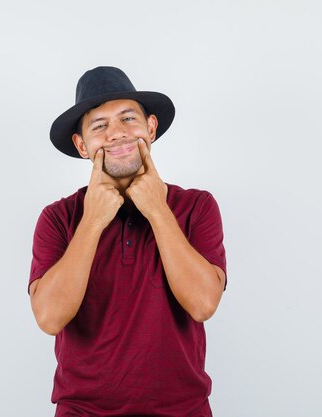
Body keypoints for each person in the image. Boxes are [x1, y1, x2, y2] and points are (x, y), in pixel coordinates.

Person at [28, 66, 227, 417]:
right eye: (99, 126)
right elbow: (49, 318)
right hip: (83, 411)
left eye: (128, 119)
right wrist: (92, 221)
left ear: (150, 128)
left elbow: (203, 304)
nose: (116, 134)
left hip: (183, 410)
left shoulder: (197, 207)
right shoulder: (58, 218)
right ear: (82, 145)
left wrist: (157, 210)